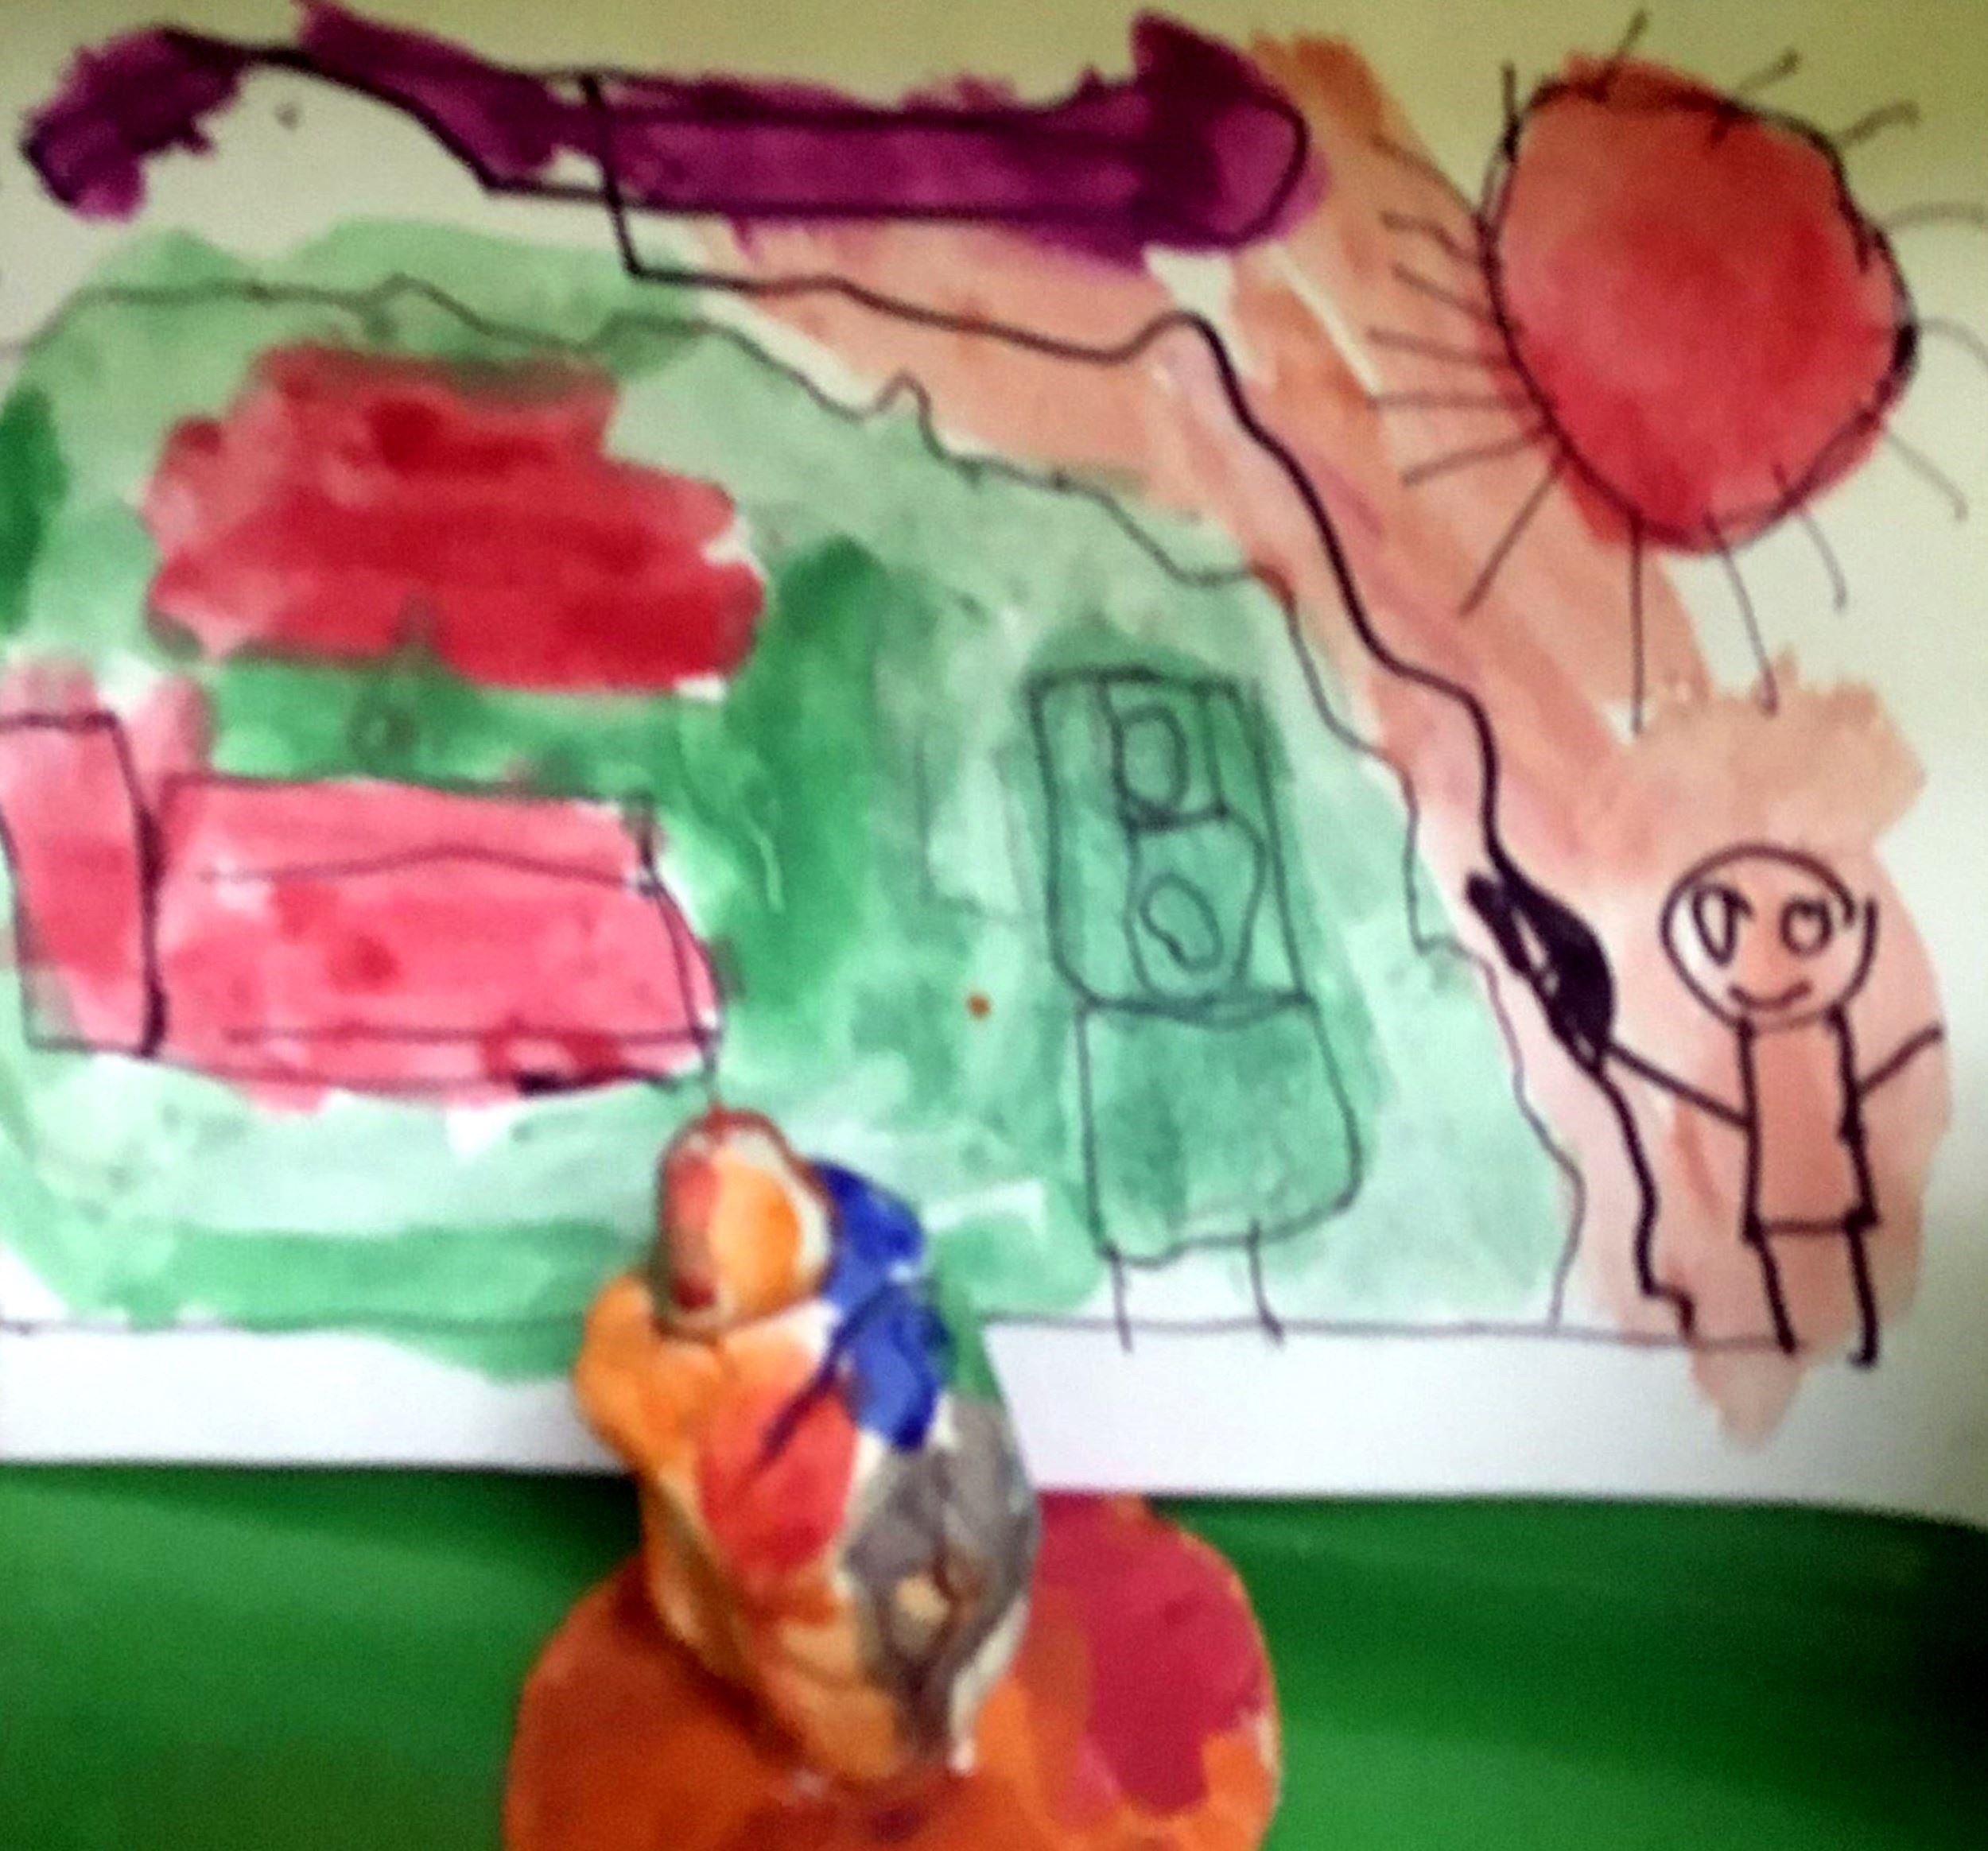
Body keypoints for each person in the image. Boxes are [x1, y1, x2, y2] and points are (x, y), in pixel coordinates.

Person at [1603, 845, 1940, 1366]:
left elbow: (1850, 1086)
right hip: (1776, 1172)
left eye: (1806, 927)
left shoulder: (1825, 1032)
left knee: (1843, 1242)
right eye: (1722, 936)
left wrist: (1904, 1056)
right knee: (1785, 1251)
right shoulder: (1753, 1043)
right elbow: (1733, 1108)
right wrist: (1629, 1060)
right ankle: (1791, 1335)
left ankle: (1854, 1335)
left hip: (1830, 1164)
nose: (1764, 968)